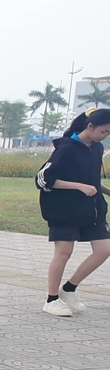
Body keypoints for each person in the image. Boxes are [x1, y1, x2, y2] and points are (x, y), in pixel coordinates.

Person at [38, 108, 110, 316]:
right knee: (63, 253)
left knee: (105, 249)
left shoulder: (96, 149)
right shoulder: (66, 149)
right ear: (90, 126)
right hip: (64, 210)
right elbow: (43, 179)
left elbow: (93, 181)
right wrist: (78, 186)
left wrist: (105, 190)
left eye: (108, 134)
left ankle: (69, 289)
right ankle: (51, 300)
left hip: (91, 210)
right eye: (103, 132)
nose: (104, 137)